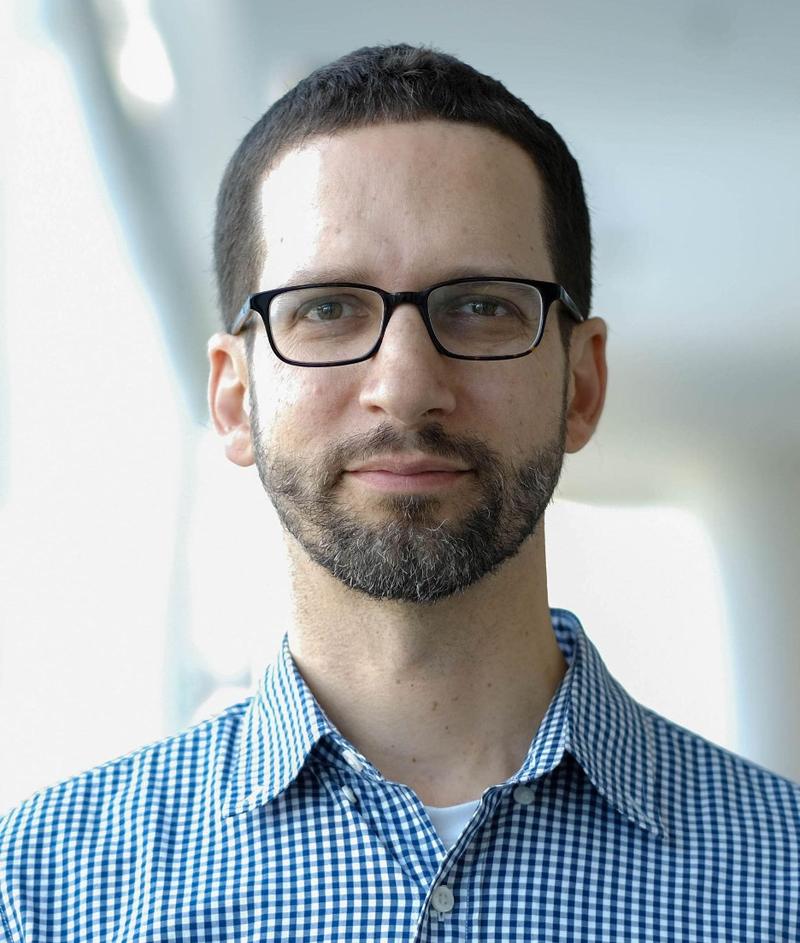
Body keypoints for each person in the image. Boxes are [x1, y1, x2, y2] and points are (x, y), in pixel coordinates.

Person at [1, 43, 797, 942]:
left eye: (482, 305)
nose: (407, 386)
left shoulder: (785, 877)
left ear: (581, 384)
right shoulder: (41, 892)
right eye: (327, 309)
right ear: (233, 396)